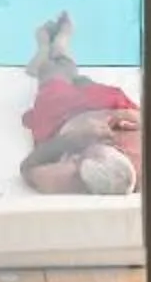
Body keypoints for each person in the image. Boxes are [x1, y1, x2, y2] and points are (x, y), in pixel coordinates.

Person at [20, 11, 143, 195]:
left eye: (78, 159)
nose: (76, 158)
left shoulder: (70, 179)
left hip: (61, 116)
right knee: (82, 81)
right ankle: (57, 53)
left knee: (54, 73)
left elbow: (28, 169)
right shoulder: (149, 165)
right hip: (109, 105)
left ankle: (49, 48)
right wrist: (131, 118)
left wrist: (70, 140)